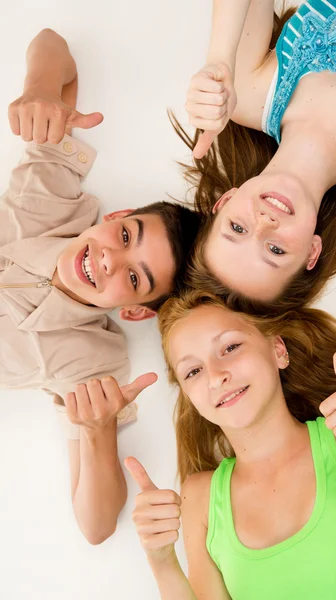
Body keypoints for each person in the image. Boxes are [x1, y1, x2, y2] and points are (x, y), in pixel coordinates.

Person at [1, 29, 201, 544]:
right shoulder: (50, 197)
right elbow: (51, 43)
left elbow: (96, 524)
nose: (110, 259)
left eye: (134, 278)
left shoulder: (94, 363)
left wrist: (96, 431)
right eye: (125, 235)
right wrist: (42, 87)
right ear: (114, 217)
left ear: (134, 312)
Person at [125, 290, 336, 599]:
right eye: (194, 371)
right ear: (189, 396)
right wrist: (162, 562)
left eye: (230, 347)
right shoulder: (200, 499)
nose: (216, 376)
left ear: (277, 349)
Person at [174, 0, 336, 313]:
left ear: (225, 201)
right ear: (311, 252)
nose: (264, 223)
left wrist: (220, 59)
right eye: (275, 249)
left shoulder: (248, 96)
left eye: (237, 228)